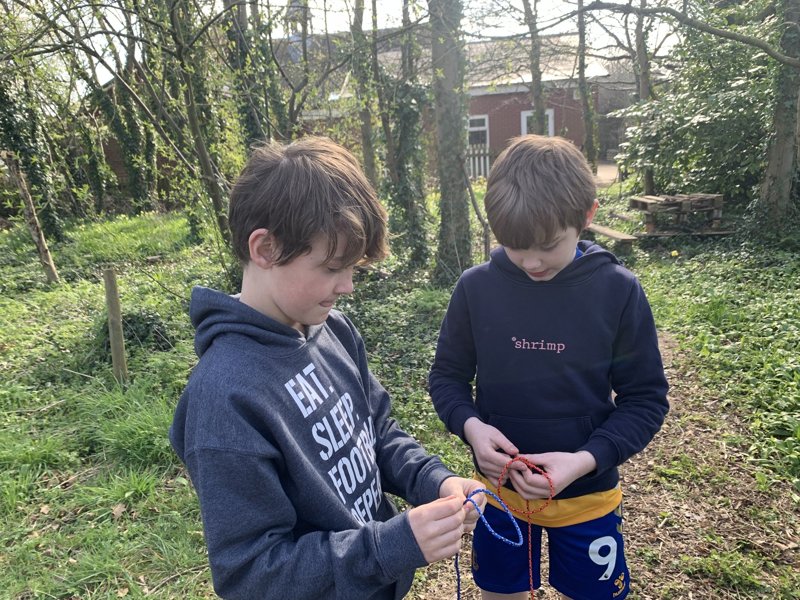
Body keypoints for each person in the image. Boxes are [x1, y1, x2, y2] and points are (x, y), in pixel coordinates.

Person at [169, 136, 485, 600]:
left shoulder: (332, 329)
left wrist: (432, 480)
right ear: (265, 249)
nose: (348, 286)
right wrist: (389, 546)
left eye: (353, 268)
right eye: (333, 267)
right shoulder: (225, 397)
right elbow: (251, 575)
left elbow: (378, 431)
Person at [428, 134, 669, 600]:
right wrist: (473, 429)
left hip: (588, 496)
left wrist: (582, 461)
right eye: (514, 247)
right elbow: (447, 378)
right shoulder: (476, 289)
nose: (530, 261)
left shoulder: (617, 291)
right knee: (501, 592)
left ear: (587, 217)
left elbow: (645, 400)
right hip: (499, 494)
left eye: (546, 245)